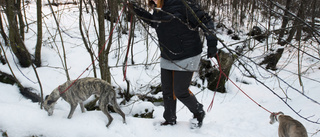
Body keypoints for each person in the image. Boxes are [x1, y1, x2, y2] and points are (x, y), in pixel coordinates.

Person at [128, 0, 218, 128]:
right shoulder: (158, 8)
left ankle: (198, 112)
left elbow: (205, 19)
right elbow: (155, 23)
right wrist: (136, 9)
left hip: (188, 54)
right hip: (168, 55)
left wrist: (212, 41)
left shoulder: (181, 3)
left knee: (180, 90)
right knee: (167, 90)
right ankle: (170, 119)